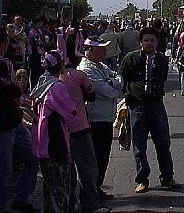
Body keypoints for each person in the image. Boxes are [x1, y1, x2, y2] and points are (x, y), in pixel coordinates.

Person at [0, 27, 39, 213]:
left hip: (14, 119)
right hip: (1, 124)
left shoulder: (5, 63)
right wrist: (17, 93)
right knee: (4, 169)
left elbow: (14, 91)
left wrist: (22, 98)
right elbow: (11, 89)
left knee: (32, 157)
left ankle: (22, 198)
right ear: (3, 44)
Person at [119, 27, 179, 194]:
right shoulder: (130, 59)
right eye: (146, 40)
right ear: (141, 42)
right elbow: (122, 79)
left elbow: (163, 78)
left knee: (163, 142)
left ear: (157, 42)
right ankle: (142, 180)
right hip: (137, 107)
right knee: (139, 146)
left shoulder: (162, 60)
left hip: (157, 106)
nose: (150, 43)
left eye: (152, 40)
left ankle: (167, 177)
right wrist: (129, 99)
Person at [59, 44, 104, 213]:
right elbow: (91, 95)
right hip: (80, 127)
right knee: (87, 168)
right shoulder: (78, 75)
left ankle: (69, 205)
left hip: (60, 131)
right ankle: (90, 204)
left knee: (68, 171)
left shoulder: (50, 79)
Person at [31, 51, 78, 213]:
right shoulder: (56, 87)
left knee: (49, 190)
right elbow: (71, 113)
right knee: (60, 190)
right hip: (55, 144)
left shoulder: (41, 82)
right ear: (60, 65)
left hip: (41, 144)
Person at [79, 36, 123, 201]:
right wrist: (112, 83)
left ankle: (97, 188)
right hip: (95, 119)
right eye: (101, 49)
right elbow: (107, 91)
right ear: (91, 51)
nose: (105, 51)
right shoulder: (86, 69)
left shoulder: (102, 66)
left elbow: (119, 80)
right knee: (94, 158)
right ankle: (90, 192)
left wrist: (112, 81)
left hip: (106, 117)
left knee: (104, 157)